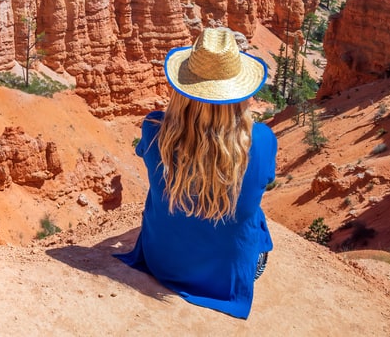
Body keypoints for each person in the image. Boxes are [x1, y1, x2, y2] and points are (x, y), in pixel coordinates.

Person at [115, 27, 276, 319]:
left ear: (183, 88)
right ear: (240, 92)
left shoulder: (153, 130)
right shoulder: (263, 140)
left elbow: (152, 161)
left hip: (161, 262)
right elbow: (266, 182)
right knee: (255, 214)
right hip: (227, 278)